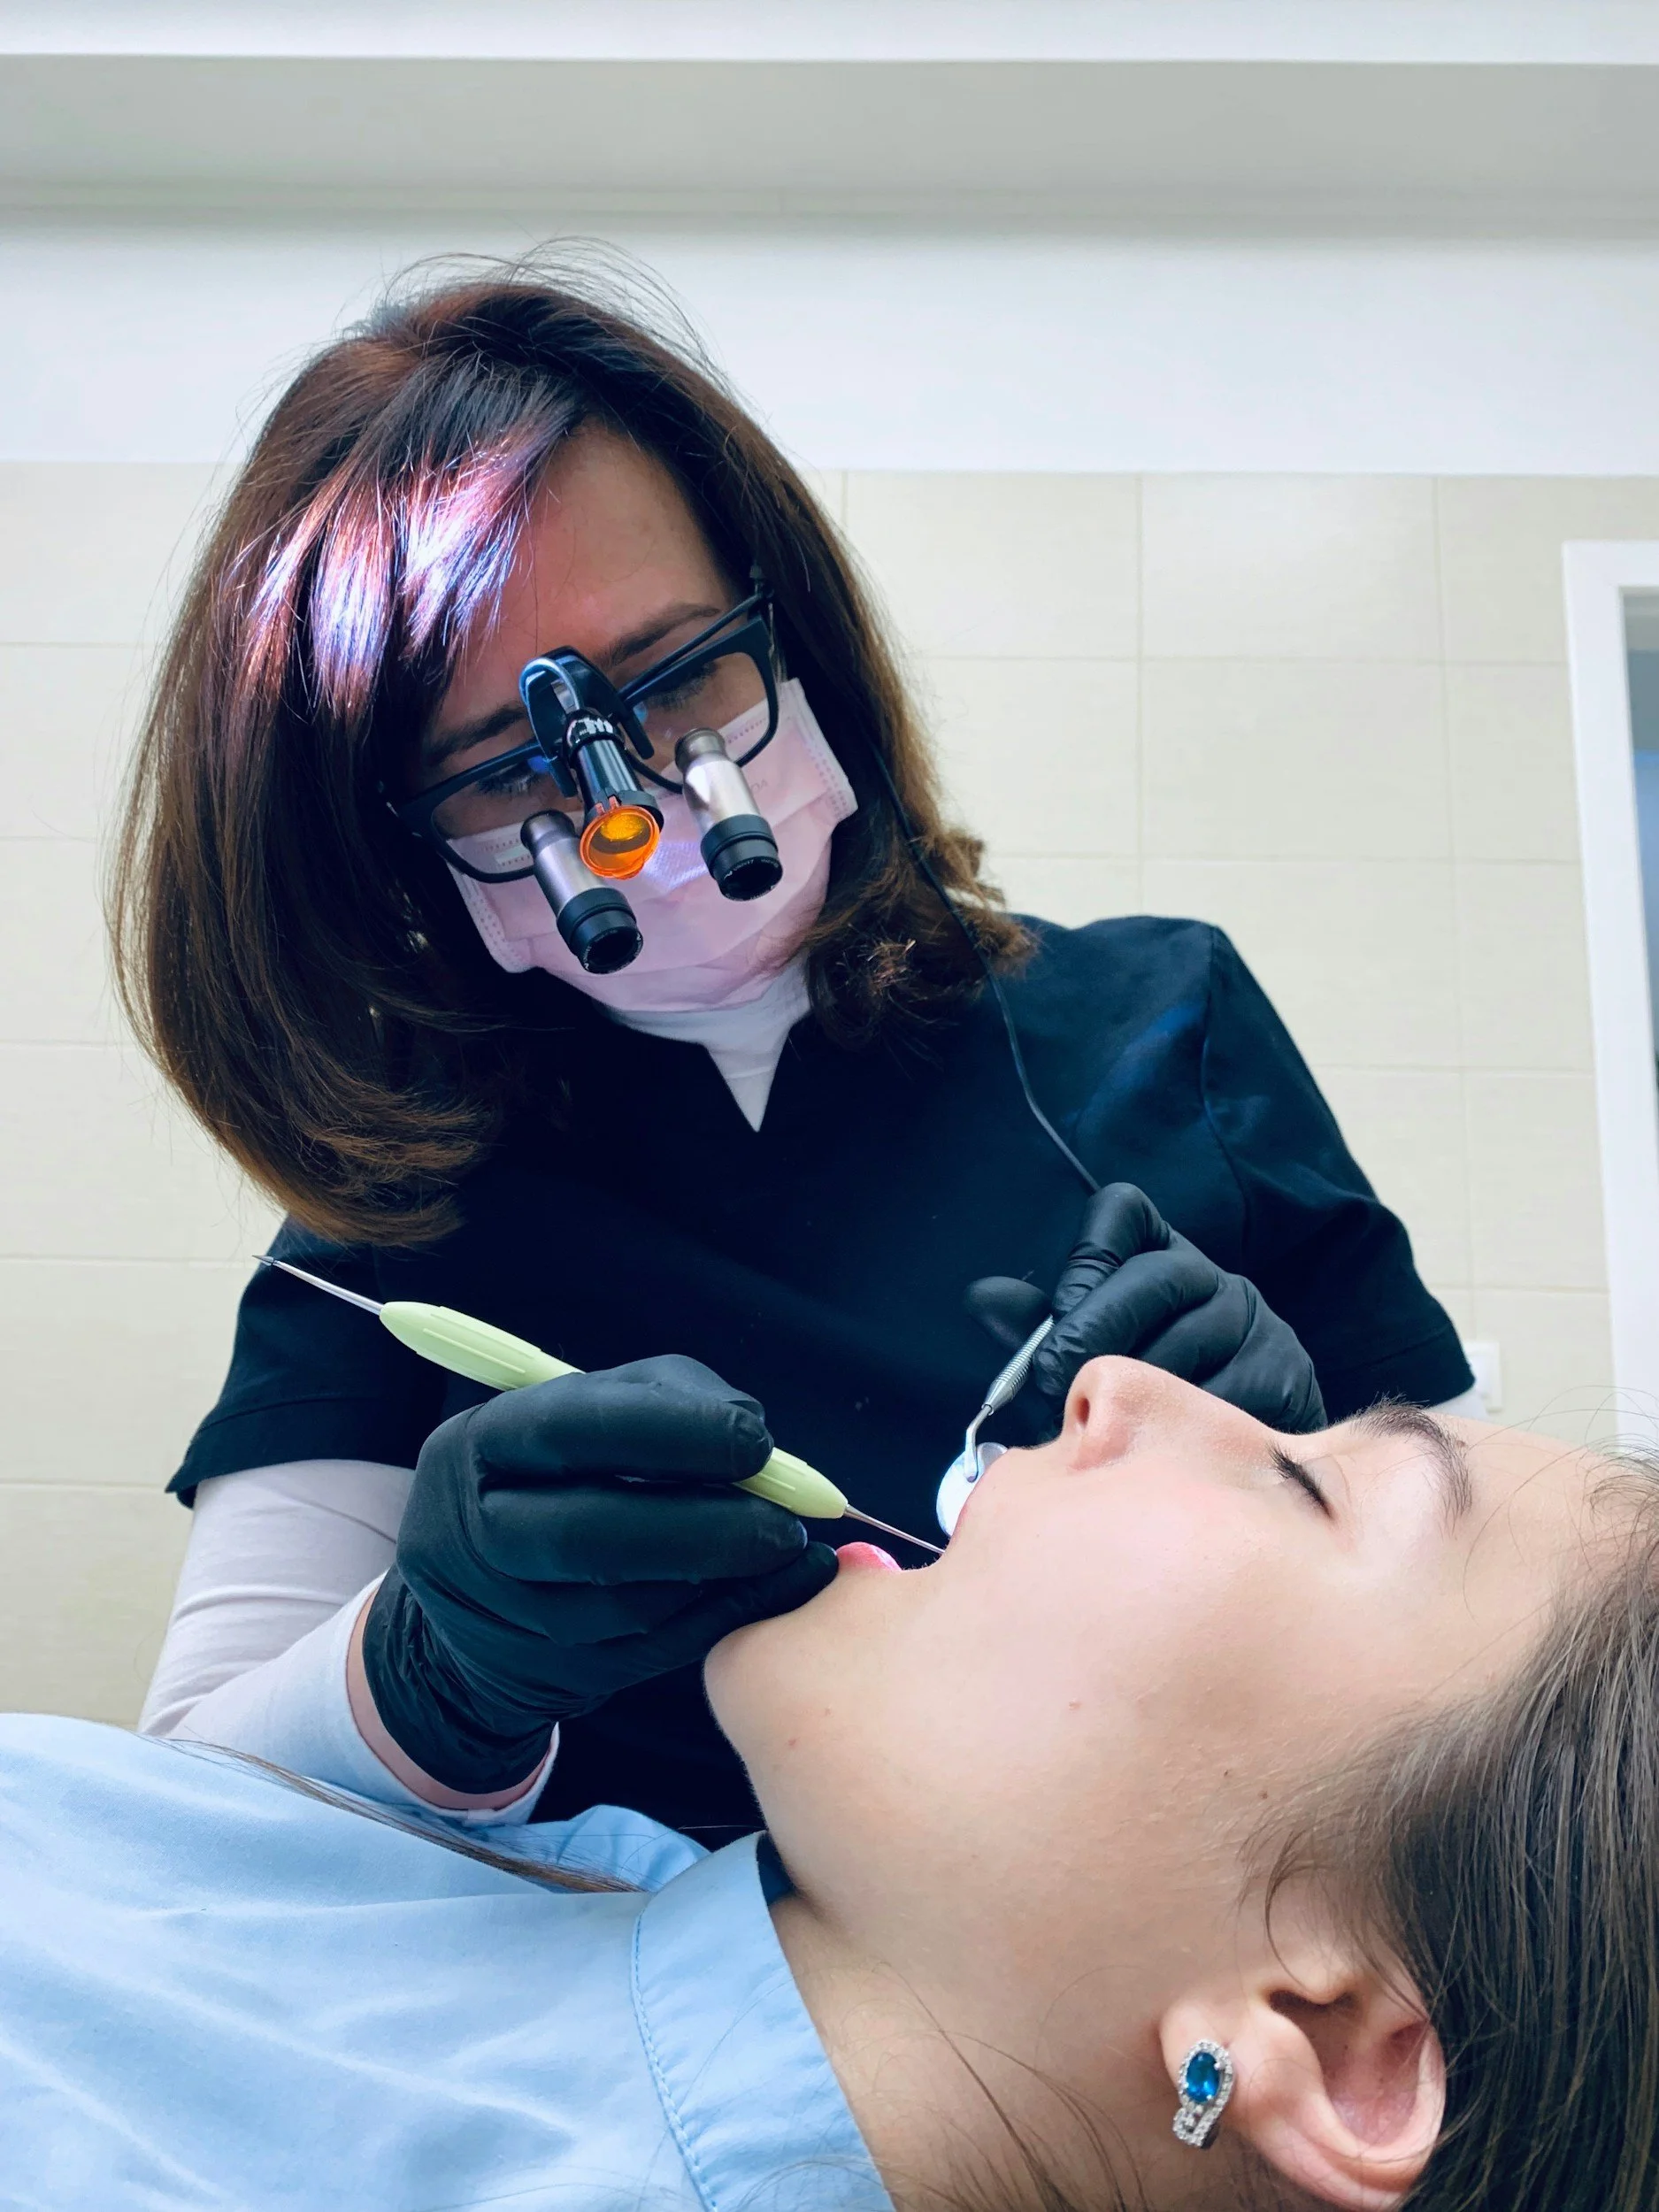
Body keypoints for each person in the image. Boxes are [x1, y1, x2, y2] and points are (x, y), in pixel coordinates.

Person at [118, 264, 1478, 1830]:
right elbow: (201, 1818)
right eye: (510, 779)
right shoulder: (392, 1220)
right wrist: (431, 1677)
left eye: (683, 673)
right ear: (393, 846)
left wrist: (1319, 1468)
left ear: (792, 635)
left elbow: (1489, 1628)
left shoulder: (1161, 1022)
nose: (633, 821)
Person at [5, 1356, 1655, 2211]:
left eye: (1303, 1480)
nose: (1115, 1389)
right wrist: (419, 1700)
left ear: (1325, 2049)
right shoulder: (656, 1904)